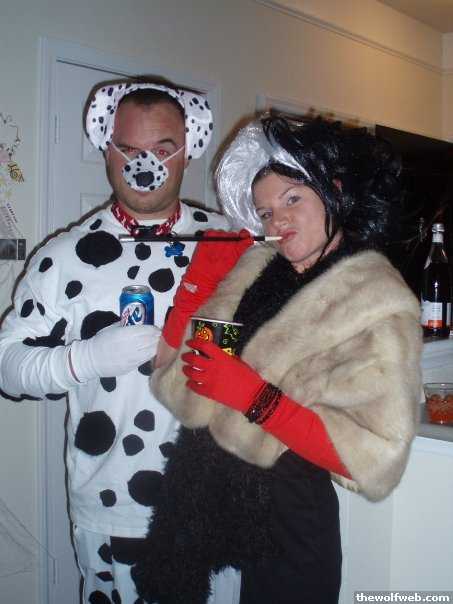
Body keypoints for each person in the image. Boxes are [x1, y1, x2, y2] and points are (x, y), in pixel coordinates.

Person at [132, 116, 423, 604]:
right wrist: (202, 286)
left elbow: (372, 457)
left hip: (291, 523)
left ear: (333, 193)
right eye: (265, 212)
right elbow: (191, 376)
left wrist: (252, 395)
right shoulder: (256, 268)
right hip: (205, 506)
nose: (277, 221)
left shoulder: (375, 301)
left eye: (292, 200)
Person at [0, 77, 241, 603]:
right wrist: (83, 360)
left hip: (216, 501)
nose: (144, 164)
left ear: (188, 150)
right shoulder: (65, 256)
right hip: (114, 510)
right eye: (128, 149)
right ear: (106, 150)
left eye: (162, 148)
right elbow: (8, 366)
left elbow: (267, 350)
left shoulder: (227, 243)